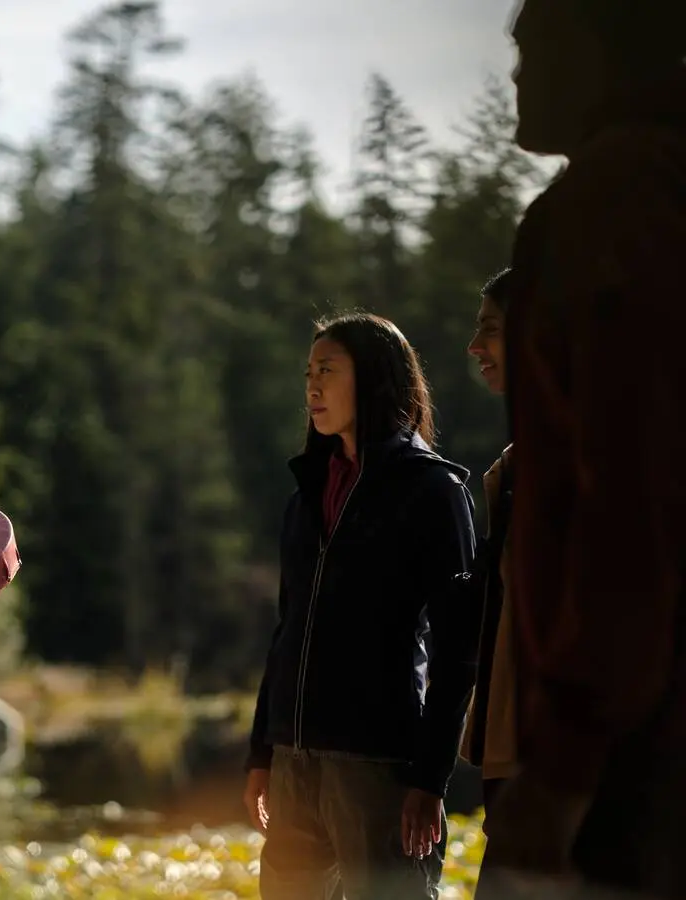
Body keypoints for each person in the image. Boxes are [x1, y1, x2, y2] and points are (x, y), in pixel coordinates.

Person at [485, 1, 686, 896]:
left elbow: (632, 490)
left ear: (601, 47)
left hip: (636, 755)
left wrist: (567, 750)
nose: (517, 77)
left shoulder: (614, 206)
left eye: (532, 49)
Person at [243, 312, 477, 900]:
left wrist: (429, 780)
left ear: (373, 378)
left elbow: (458, 650)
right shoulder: (306, 496)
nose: (312, 386)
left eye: (328, 370)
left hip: (378, 764)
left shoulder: (433, 491)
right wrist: (261, 754)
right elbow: (286, 630)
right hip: (295, 763)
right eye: (308, 373)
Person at [460, 269, 518, 889]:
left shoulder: (594, 461)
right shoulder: (512, 467)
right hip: (513, 761)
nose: (475, 347)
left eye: (491, 330)